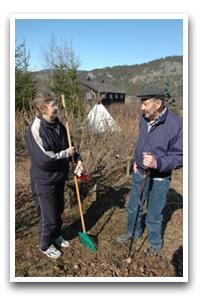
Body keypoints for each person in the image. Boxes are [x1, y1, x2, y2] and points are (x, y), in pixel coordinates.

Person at [117, 87, 183, 256]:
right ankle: (134, 233)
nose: (141, 108)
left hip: (159, 178)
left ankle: (154, 244)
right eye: (141, 103)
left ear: (158, 103)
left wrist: (157, 162)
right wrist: (136, 161)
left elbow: (180, 157)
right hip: (140, 172)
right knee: (133, 207)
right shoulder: (145, 118)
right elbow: (141, 142)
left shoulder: (176, 125)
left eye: (145, 103)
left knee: (154, 213)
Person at [25, 92, 84, 259]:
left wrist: (78, 159)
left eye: (57, 104)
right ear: (43, 109)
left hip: (59, 176)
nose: (57, 108)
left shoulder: (59, 125)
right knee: (48, 214)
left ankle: (56, 235)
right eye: (53, 105)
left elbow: (71, 146)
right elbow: (44, 159)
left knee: (58, 209)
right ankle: (44, 244)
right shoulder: (35, 130)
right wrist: (65, 154)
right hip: (43, 180)